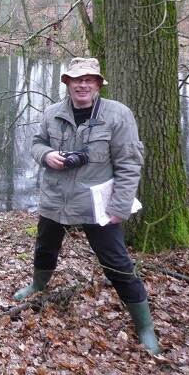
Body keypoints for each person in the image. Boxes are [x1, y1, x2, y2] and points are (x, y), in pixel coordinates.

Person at [14, 57, 160, 354]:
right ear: (67, 83)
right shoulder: (53, 112)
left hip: (97, 204)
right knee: (45, 247)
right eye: (76, 80)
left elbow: (130, 163)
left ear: (97, 84)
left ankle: (145, 327)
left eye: (89, 80)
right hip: (55, 198)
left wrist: (120, 205)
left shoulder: (118, 114)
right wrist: (46, 156)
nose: (82, 85)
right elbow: (36, 143)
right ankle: (38, 285)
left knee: (117, 263)